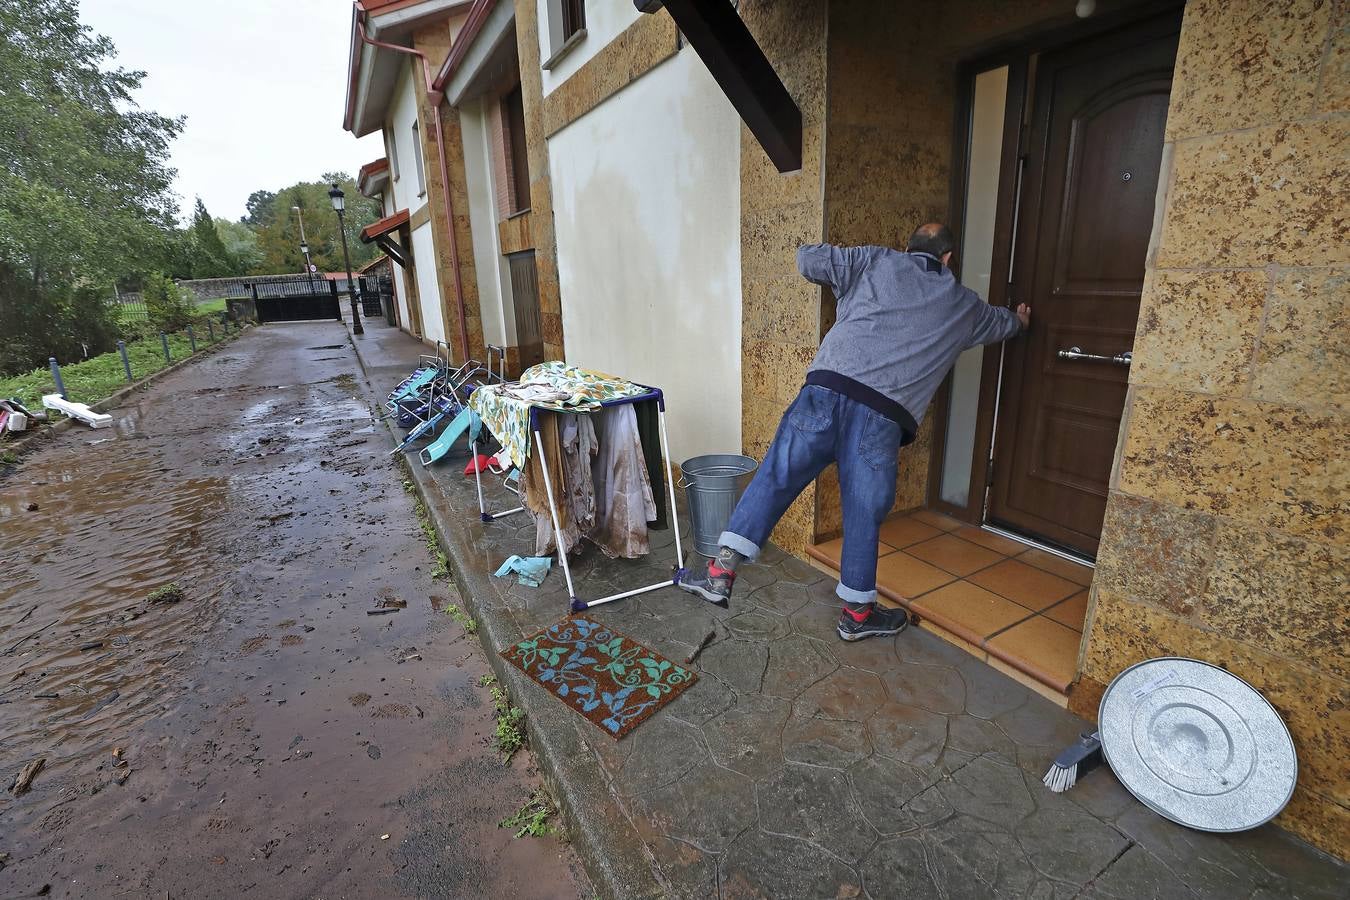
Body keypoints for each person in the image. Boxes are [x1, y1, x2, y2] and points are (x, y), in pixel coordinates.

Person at [679, 223, 1031, 641]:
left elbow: (807, 259)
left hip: (826, 392)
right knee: (863, 510)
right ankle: (858, 617)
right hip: (881, 417)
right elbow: (1003, 323)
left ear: (907, 246)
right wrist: (1022, 320)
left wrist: (837, 260)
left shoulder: (874, 259)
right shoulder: (965, 306)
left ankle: (719, 574)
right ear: (948, 259)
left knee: (775, 478)